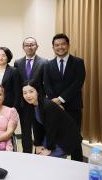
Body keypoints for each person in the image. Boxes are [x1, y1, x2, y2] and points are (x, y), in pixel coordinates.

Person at [43, 33, 85, 161]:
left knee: (74, 137)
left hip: (73, 107)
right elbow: (47, 84)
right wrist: (55, 101)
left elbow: (78, 83)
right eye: (57, 45)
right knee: (56, 136)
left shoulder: (78, 62)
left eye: (62, 44)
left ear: (68, 45)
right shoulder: (48, 65)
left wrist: (60, 99)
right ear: (53, 47)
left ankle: (78, 165)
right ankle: (58, 164)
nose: (60, 47)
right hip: (54, 108)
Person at [22, 81, 82, 159]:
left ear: (38, 91)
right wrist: (38, 144)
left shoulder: (47, 106)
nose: (28, 96)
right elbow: (37, 127)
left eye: (31, 91)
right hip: (51, 136)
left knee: (49, 162)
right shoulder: (32, 106)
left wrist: (49, 148)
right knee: (38, 157)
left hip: (63, 138)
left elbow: (52, 128)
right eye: (25, 93)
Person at [14, 37, 47, 153]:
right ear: (23, 47)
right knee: (26, 132)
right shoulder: (17, 62)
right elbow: (17, 84)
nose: (29, 47)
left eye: (32, 44)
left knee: (39, 131)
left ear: (37, 46)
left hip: (39, 103)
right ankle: (27, 155)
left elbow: (45, 84)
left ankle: (40, 154)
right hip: (23, 104)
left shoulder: (44, 62)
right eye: (27, 45)